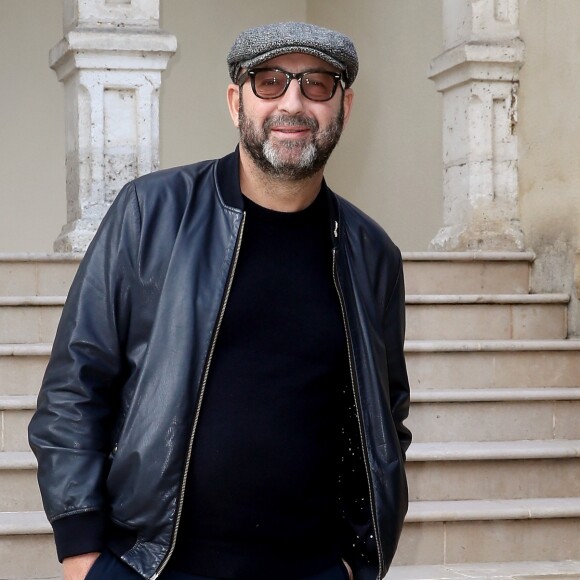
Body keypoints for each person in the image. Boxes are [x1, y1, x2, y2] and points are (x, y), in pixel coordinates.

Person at [29, 21, 411, 580]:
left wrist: (355, 562)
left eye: (317, 85)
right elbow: (73, 389)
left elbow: (386, 416)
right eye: (270, 81)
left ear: (344, 106)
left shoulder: (372, 253)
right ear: (236, 101)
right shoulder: (149, 215)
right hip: (158, 566)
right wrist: (83, 554)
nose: (293, 102)